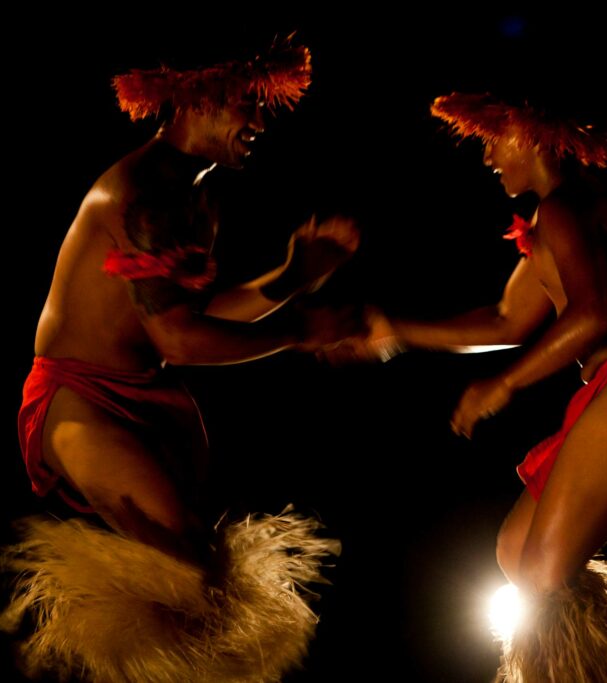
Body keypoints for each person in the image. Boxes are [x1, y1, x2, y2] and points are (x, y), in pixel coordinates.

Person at [328, 92, 607, 682]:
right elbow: (507, 320)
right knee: (516, 553)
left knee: (540, 569)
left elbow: (593, 315)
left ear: (530, 132)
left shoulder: (567, 207)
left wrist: (504, 386)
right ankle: (582, 668)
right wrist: (396, 333)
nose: (488, 157)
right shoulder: (551, 218)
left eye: (493, 139)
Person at [3, 36, 357, 682]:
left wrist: (292, 277)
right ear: (199, 99)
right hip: (77, 400)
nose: (258, 123)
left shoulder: (199, 196)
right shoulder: (139, 195)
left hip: (147, 396)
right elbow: (182, 342)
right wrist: (301, 330)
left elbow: (202, 313)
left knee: (199, 576)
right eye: (247, 106)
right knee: (184, 573)